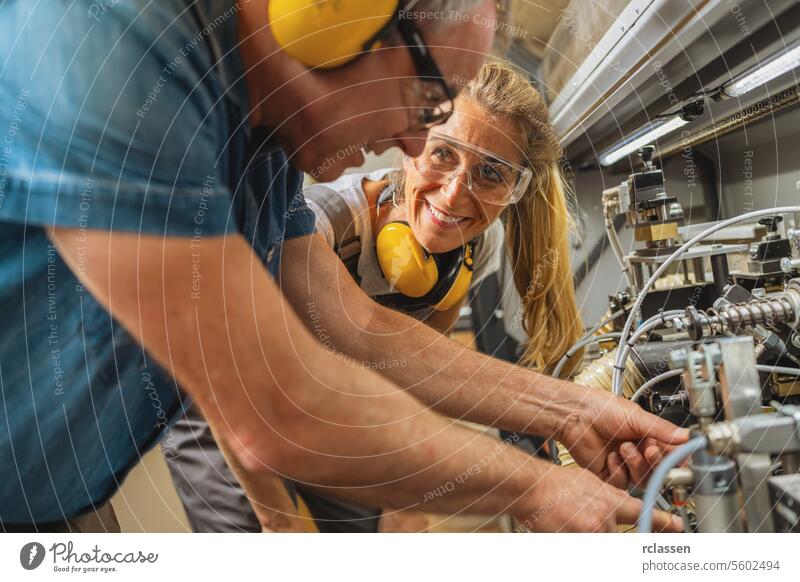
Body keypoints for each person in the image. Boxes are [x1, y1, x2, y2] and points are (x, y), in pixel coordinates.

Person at [0, 0, 684, 534]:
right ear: (334, 17)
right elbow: (280, 403)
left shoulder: (268, 141)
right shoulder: (114, 52)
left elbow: (358, 328)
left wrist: (567, 410)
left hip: (52, 494)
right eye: (428, 102)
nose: (414, 142)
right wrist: (534, 487)